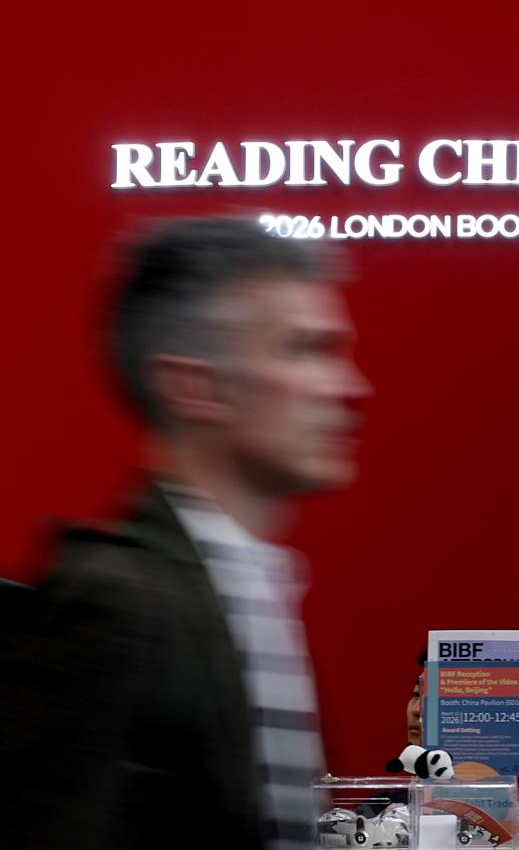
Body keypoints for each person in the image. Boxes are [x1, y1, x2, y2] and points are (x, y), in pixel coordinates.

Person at [0, 217, 371, 850]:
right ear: (192, 385)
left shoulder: (252, 588)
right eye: (303, 349)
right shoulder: (115, 603)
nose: (351, 388)